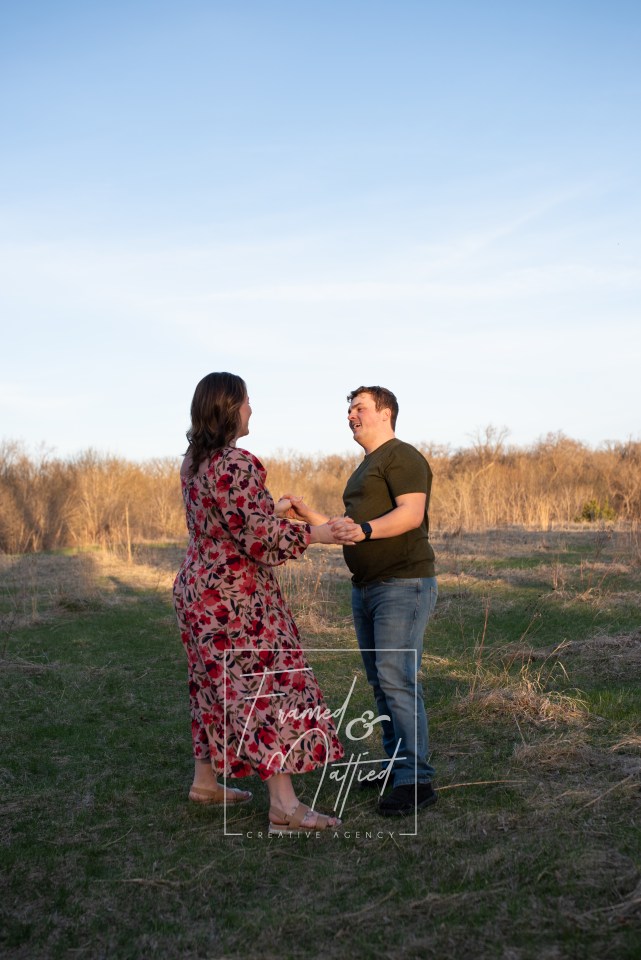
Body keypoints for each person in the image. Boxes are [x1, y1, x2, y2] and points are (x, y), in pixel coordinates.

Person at [172, 372, 349, 835]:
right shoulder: (236, 463)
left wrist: (271, 510)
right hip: (233, 598)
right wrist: (319, 533)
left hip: (196, 590)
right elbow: (261, 539)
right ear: (230, 408)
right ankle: (284, 807)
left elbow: (224, 521)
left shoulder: (193, 462)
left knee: (210, 684)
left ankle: (204, 783)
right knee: (264, 689)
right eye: (247, 401)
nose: (252, 409)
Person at [284, 386, 438, 817]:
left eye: (359, 408)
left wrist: (367, 530)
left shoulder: (401, 456)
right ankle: (397, 765)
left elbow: (410, 513)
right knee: (381, 682)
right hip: (367, 587)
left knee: (397, 679)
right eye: (349, 410)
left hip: (402, 584)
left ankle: (417, 780)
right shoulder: (364, 468)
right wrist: (310, 517)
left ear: (385, 413)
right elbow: (349, 530)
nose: (351, 415)